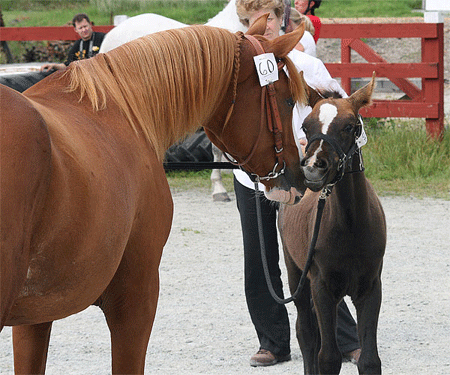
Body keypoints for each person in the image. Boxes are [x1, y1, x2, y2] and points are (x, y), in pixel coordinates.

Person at [234, 0, 361, 367]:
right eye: (249, 20)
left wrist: (323, 147)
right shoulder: (239, 74)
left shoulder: (308, 67)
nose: (262, 26)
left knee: (316, 255)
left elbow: (346, 114)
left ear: (279, 19)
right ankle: (273, 341)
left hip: (306, 171)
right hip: (253, 174)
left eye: (268, 17)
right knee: (259, 260)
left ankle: (344, 337)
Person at [40, 13, 105, 71]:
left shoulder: (103, 38)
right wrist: (53, 66)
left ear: (90, 25)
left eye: (85, 26)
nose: (84, 30)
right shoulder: (77, 45)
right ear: (76, 30)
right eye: (80, 28)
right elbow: (67, 65)